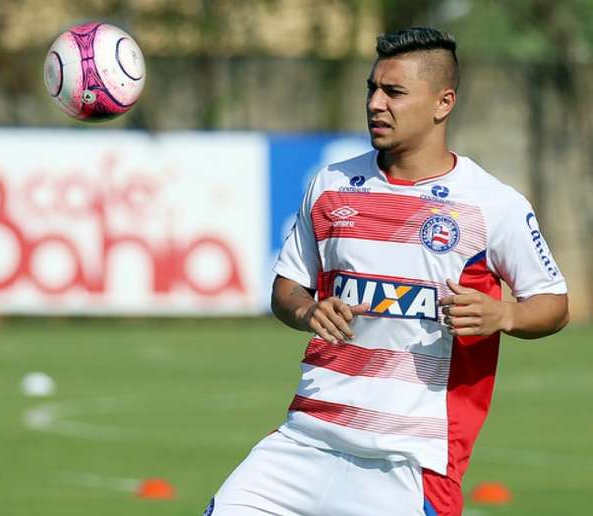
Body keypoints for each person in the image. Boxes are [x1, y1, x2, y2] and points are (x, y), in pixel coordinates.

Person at [205, 27, 569, 516]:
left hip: (408, 465)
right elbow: (286, 288)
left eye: (394, 92)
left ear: (443, 103)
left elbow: (553, 303)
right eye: (372, 89)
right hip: (302, 443)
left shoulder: (493, 205)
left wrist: (503, 315)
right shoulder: (332, 185)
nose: (376, 103)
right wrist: (308, 309)